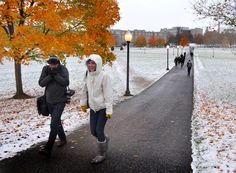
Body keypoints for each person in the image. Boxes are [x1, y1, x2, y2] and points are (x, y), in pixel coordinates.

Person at [80, 54, 112, 164]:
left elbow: (108, 94)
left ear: (98, 64)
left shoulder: (104, 76)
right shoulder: (87, 74)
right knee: (93, 131)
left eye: (93, 63)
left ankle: (101, 154)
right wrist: (83, 103)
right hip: (93, 108)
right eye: (89, 63)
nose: (91, 65)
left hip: (102, 108)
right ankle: (104, 138)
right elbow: (84, 90)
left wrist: (109, 110)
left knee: (99, 130)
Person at [38, 55, 69, 158]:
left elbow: (66, 82)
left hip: (60, 101)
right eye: (50, 63)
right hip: (49, 101)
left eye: (54, 64)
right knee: (56, 121)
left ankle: (48, 148)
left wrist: (55, 75)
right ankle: (63, 139)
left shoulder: (63, 69)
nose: (52, 66)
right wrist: (50, 76)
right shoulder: (46, 69)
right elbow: (41, 83)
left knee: (54, 123)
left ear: (58, 63)